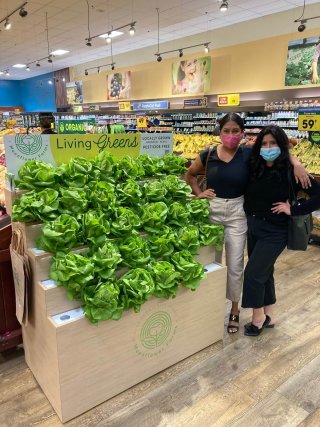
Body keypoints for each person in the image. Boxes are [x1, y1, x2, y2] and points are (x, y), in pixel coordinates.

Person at [185, 113, 310, 334]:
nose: (231, 136)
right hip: (212, 211)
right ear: (220, 132)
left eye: (236, 131)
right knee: (208, 265)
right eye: (226, 131)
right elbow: (191, 175)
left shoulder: (248, 153)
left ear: (242, 133)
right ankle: (207, 307)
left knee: (235, 266)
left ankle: (234, 310)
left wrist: (296, 161)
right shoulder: (208, 154)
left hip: (237, 212)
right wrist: (199, 193)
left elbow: (283, 143)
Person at [242, 125, 320, 336]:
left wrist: (294, 209)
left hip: (275, 231)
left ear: (281, 146)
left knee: (253, 274)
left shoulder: (291, 171)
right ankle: (270, 314)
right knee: (265, 272)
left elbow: (318, 196)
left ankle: (257, 320)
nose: (268, 147)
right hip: (254, 226)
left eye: (273, 143)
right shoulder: (254, 163)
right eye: (264, 143)